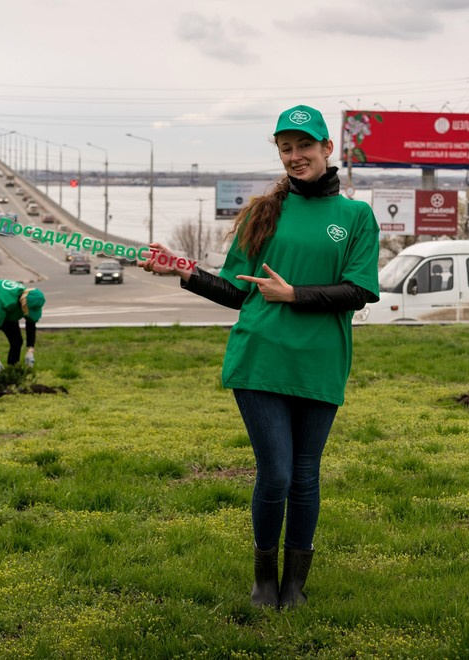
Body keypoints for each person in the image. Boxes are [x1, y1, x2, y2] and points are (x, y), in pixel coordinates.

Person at [140, 104, 380, 609]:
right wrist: (182, 270)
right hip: (260, 358)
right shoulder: (262, 212)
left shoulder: (355, 216)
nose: (295, 156)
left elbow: (360, 290)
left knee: (306, 475)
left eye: (304, 146)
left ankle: (296, 584)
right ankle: (264, 578)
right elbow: (235, 292)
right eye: (286, 148)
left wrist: (294, 295)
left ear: (327, 149)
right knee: (275, 473)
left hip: (320, 361)